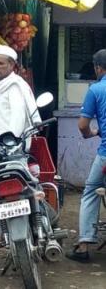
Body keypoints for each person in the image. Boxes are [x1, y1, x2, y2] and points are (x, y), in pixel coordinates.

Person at [66, 49, 106, 262]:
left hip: (105, 154)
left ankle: (84, 245)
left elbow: (82, 125)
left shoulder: (96, 89)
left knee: (91, 192)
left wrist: (91, 133)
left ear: (97, 68)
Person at [0, 45, 41, 160]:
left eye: (0, 64)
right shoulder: (2, 84)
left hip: (9, 148)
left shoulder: (14, 86)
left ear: (11, 65)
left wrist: (11, 145)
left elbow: (18, 118)